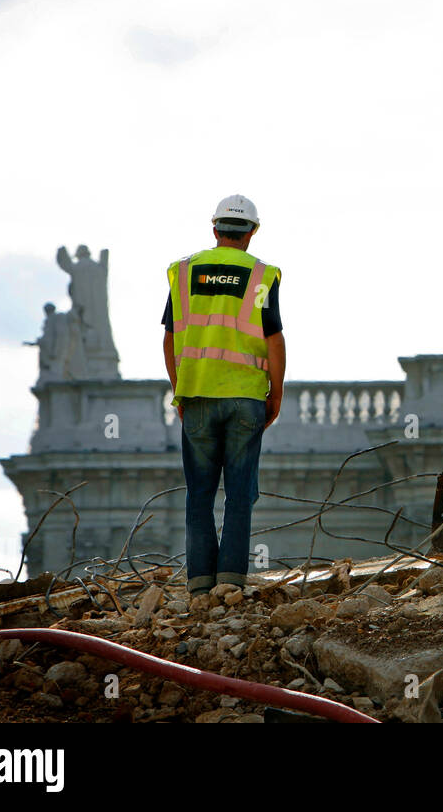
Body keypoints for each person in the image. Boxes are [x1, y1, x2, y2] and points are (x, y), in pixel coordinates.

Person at [162, 195, 285, 596]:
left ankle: (199, 582)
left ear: (215, 229)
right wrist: (276, 393)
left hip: (196, 394)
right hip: (246, 396)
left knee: (198, 494)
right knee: (239, 493)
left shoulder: (184, 272)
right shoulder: (261, 274)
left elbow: (169, 337)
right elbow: (273, 338)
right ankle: (230, 580)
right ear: (252, 232)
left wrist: (179, 388)